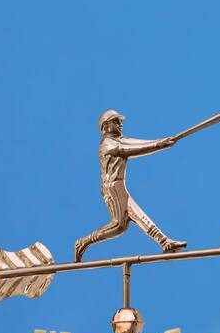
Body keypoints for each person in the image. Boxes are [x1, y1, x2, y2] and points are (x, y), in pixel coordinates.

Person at [74, 109, 188, 262]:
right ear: (106, 127)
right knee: (119, 225)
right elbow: (128, 149)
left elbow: (135, 142)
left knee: (135, 217)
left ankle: (164, 242)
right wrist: (159, 145)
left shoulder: (119, 140)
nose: (120, 124)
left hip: (119, 185)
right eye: (116, 121)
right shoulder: (107, 144)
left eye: (120, 121)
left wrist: (160, 142)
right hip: (112, 187)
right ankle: (83, 242)